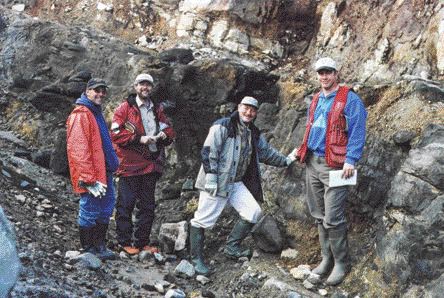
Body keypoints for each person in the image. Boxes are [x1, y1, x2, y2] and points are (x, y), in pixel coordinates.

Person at [190, 96, 296, 275]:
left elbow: (266, 153)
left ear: (256, 113)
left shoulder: (253, 132)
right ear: (239, 107)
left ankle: (232, 247)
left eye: (253, 110)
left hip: (236, 183)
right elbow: (209, 151)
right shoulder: (223, 125)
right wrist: (210, 177)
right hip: (217, 181)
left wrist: (287, 160)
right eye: (246, 108)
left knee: (253, 212)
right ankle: (196, 260)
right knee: (202, 219)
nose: (249, 112)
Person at [292, 57, 367, 285]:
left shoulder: (350, 99)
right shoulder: (316, 99)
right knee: (318, 214)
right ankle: (326, 259)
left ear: (336, 74)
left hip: (335, 165)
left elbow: (358, 131)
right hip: (312, 162)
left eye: (328, 72)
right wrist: (302, 149)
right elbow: (311, 127)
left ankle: (342, 263)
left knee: (333, 217)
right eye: (321, 73)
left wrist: (351, 159)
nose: (324, 77)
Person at [111, 73, 175, 255]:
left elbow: (169, 129)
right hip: (129, 165)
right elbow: (115, 134)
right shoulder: (124, 109)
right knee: (126, 204)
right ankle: (123, 242)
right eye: (141, 84)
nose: (145, 88)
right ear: (135, 86)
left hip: (151, 164)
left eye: (148, 85)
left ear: (151, 88)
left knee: (147, 206)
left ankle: (142, 242)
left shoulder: (157, 109)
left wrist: (165, 135)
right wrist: (140, 139)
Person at [66, 78, 119, 261]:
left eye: (103, 91)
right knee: (89, 208)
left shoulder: (95, 112)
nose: (101, 94)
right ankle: (88, 249)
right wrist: (88, 178)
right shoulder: (81, 114)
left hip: (104, 171)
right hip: (92, 175)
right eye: (97, 90)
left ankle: (99, 246)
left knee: (105, 208)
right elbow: (78, 148)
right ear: (87, 91)